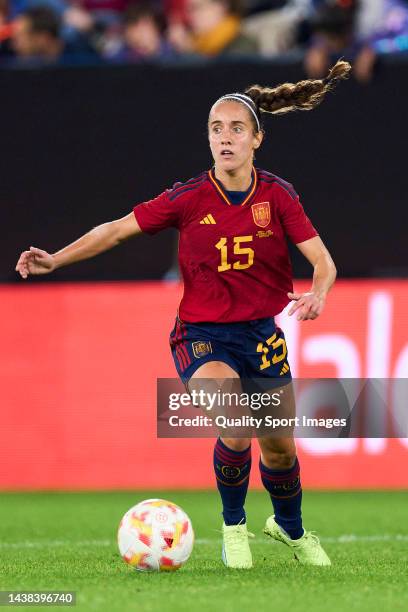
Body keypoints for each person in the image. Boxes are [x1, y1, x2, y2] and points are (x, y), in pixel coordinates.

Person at [16, 59, 350, 569]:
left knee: (280, 450)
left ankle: (290, 529)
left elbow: (323, 262)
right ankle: (234, 528)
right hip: (201, 335)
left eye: (237, 128)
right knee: (236, 425)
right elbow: (116, 229)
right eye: (216, 128)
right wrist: (57, 258)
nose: (225, 137)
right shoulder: (189, 198)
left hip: (261, 334)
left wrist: (319, 293)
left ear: (257, 139)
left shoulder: (277, 196)